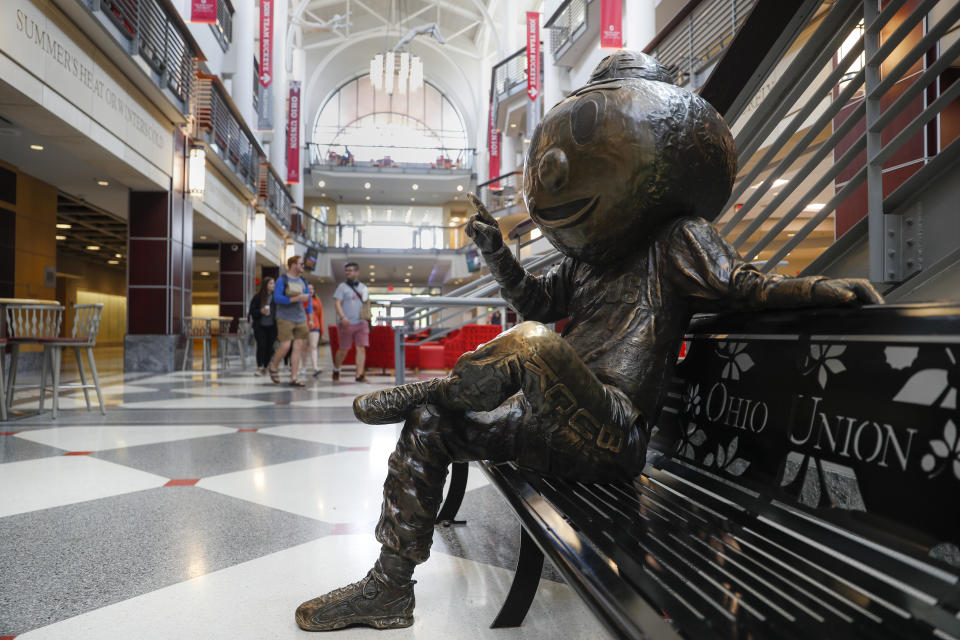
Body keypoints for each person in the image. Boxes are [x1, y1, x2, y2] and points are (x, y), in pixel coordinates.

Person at [294, 51, 884, 631]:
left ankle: (444, 386)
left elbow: (741, 286)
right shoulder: (585, 263)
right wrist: (497, 251)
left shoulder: (675, 241)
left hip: (612, 436)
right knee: (430, 423)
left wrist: (813, 290)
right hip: (549, 425)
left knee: (531, 345)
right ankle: (390, 589)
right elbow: (533, 300)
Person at [268, 255, 312, 387]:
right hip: (285, 317)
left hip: (300, 317)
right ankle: (273, 366)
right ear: (293, 265)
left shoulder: (303, 281)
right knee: (285, 345)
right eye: (301, 264)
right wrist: (295, 299)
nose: (303, 266)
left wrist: (310, 317)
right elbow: (277, 299)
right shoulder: (282, 280)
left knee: (298, 347)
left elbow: (308, 300)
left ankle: (294, 377)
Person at [331, 262, 369, 382]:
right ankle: (336, 369)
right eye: (346, 270)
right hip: (346, 323)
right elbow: (337, 303)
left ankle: (359, 375)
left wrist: (367, 316)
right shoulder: (342, 287)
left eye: (351, 270)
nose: (348, 272)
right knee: (343, 350)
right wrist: (343, 317)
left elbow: (367, 303)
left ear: (357, 272)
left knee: (361, 348)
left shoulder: (363, 287)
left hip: (361, 323)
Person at [248, 277, 277, 375]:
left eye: (274, 283)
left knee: (269, 346)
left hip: (272, 326)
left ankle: (265, 365)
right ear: (266, 285)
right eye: (271, 283)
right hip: (260, 326)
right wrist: (260, 311)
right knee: (261, 345)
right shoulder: (258, 297)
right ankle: (260, 366)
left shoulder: (276, 297)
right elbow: (251, 311)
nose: (273, 285)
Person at [303, 284, 325, 377]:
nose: (311, 290)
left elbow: (321, 315)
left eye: (312, 288)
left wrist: (322, 330)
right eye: (309, 289)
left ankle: (315, 367)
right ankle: (303, 367)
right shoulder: (303, 300)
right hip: (303, 325)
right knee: (304, 348)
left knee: (313, 346)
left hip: (315, 326)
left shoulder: (317, 300)